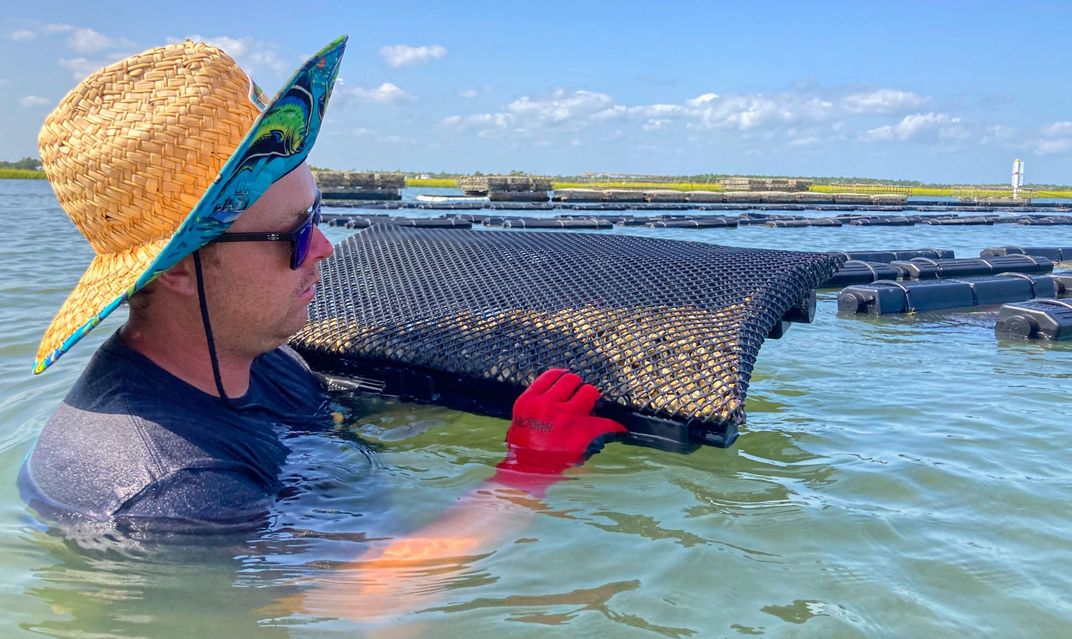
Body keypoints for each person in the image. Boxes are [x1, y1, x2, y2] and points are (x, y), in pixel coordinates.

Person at [20, 35, 627, 544]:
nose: (323, 247)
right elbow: (361, 609)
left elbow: (338, 425)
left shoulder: (260, 357)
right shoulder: (174, 493)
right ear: (177, 268)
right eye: (291, 232)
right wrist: (526, 472)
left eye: (318, 214)